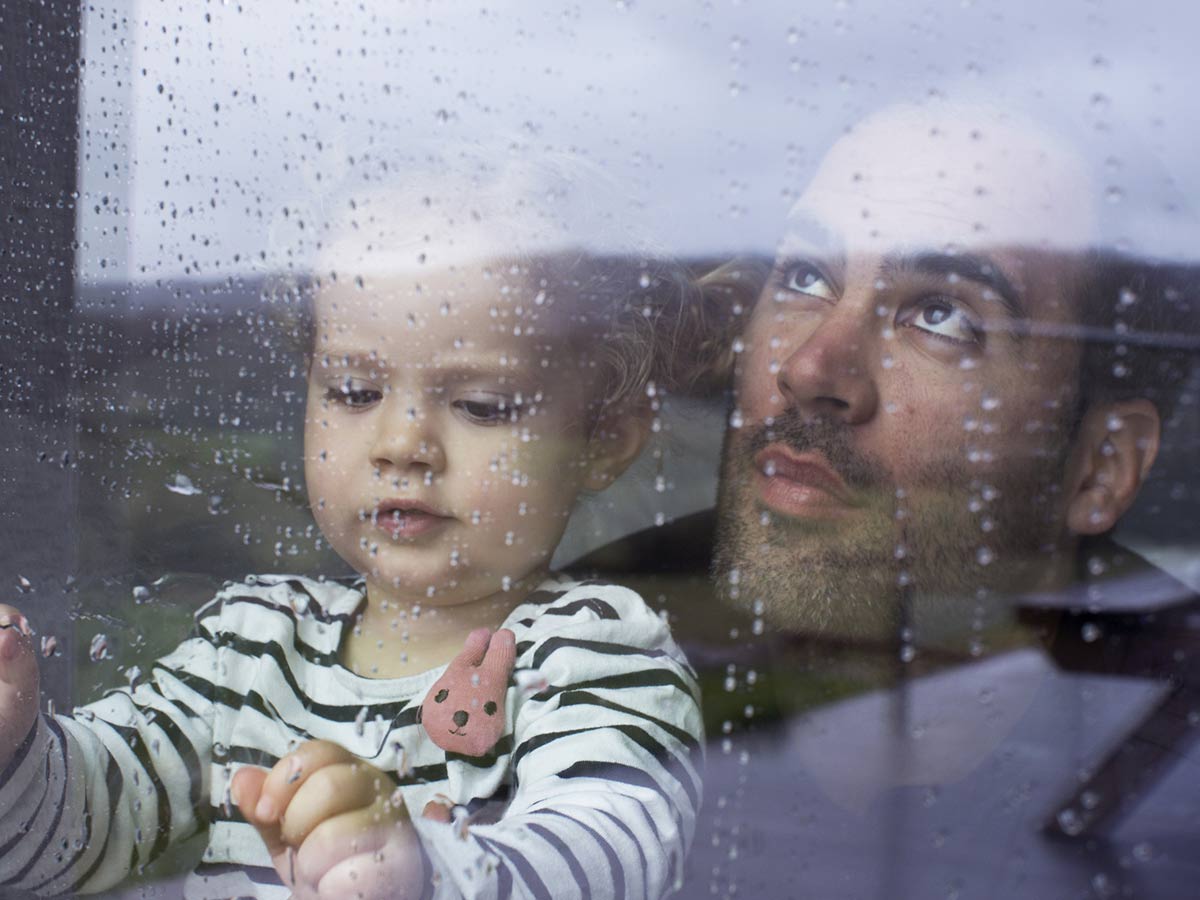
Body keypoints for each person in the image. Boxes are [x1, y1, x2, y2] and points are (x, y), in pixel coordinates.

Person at [0, 155, 706, 899]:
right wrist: (16, 752)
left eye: (481, 406)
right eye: (355, 390)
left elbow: (611, 851)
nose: (402, 444)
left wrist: (427, 873)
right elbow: (75, 838)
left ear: (601, 440)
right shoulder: (252, 645)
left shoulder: (595, 655)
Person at [581, 100, 1200, 898]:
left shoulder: (1172, 790)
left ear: (1099, 468)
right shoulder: (558, 669)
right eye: (806, 276)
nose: (810, 368)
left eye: (941, 316)